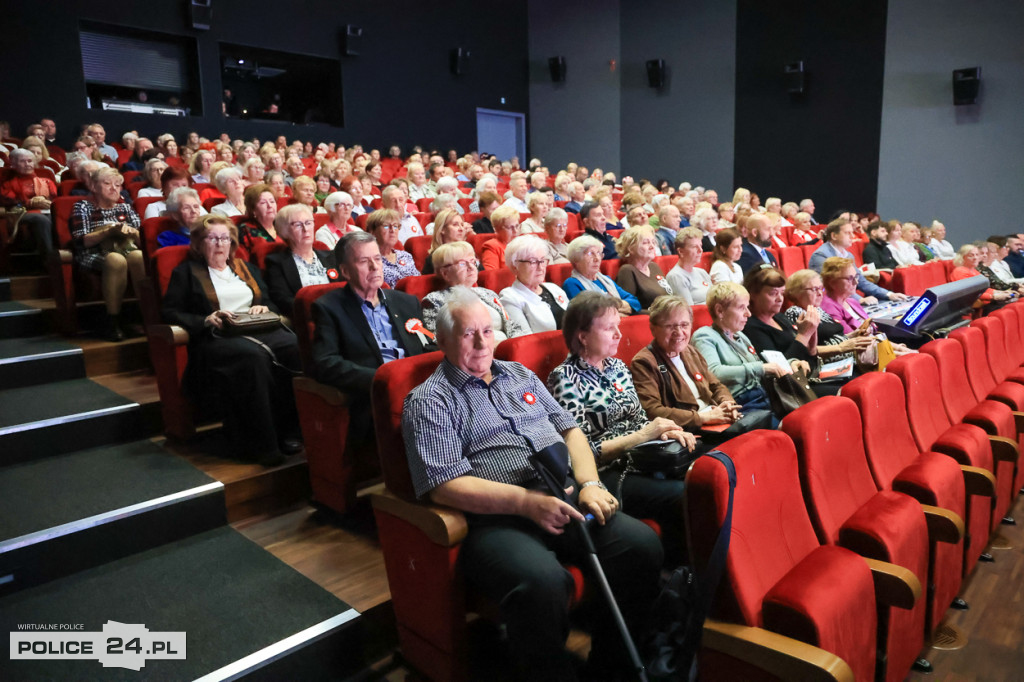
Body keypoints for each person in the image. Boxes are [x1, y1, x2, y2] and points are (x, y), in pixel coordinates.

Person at [403, 288, 662, 679]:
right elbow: (443, 483)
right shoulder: (429, 400)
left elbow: (571, 431)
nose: (481, 342)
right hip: (496, 518)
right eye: (467, 333)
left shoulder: (520, 374)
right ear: (441, 340)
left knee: (641, 546)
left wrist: (589, 482)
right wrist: (526, 503)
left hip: (564, 494)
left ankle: (613, 668)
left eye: (488, 331)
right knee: (542, 583)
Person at [547, 291, 695, 566]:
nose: (618, 334)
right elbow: (578, 452)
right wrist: (641, 436)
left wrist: (665, 432)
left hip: (645, 456)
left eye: (618, 326)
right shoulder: (564, 378)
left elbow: (639, 418)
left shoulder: (617, 367)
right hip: (609, 472)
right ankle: (680, 574)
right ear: (582, 336)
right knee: (682, 494)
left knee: (703, 475)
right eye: (608, 328)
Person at [161, 215, 300, 467]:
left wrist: (262, 308)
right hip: (217, 338)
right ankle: (263, 443)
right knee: (253, 358)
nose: (219, 243)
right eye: (212, 238)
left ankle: (290, 432)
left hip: (257, 329)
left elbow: (269, 300)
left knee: (294, 347)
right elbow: (171, 311)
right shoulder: (186, 273)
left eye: (225, 238)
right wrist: (206, 318)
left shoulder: (246, 269)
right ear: (199, 243)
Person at [313, 231, 435, 465]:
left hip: (419, 387)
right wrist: (382, 379)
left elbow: (428, 345)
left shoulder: (405, 301)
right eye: (363, 261)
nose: (374, 267)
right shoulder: (328, 308)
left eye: (377, 259)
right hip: (375, 395)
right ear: (345, 271)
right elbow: (326, 363)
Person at [630, 295, 772, 445]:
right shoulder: (644, 362)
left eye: (684, 325)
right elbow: (653, 411)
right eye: (670, 326)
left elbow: (716, 386)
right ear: (653, 328)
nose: (679, 332)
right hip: (690, 433)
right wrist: (704, 418)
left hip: (716, 423)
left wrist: (727, 403)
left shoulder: (690, 351)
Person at [69, 167, 146, 341]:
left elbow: (143, 241)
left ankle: (145, 316)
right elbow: (81, 242)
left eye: (118, 185)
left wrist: (133, 233)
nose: (114, 188)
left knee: (138, 256)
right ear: (94, 187)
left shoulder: (126, 207)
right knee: (115, 259)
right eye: (107, 183)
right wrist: (108, 232)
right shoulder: (82, 207)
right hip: (92, 253)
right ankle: (113, 322)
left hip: (126, 248)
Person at [691, 282, 785, 414]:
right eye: (742, 308)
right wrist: (761, 368)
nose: (748, 314)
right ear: (720, 311)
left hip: (765, 395)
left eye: (747, 307)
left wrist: (791, 363)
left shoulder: (740, 335)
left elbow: (762, 366)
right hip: (740, 404)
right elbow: (714, 372)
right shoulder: (704, 336)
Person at [422, 242, 525, 342]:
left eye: (473, 262)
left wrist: (513, 347)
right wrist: (494, 346)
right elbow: (438, 340)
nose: (471, 268)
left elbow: (513, 327)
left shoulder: (488, 293)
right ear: (445, 273)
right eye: (462, 264)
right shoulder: (434, 301)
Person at [783, 268, 875, 362]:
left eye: (820, 288)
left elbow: (832, 338)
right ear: (796, 292)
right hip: (834, 365)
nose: (820, 293)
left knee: (882, 345)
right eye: (814, 289)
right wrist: (841, 347)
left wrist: (853, 335)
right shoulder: (795, 313)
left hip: (850, 358)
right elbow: (807, 349)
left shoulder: (818, 310)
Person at [808, 218, 907, 304]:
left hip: (846, 302)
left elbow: (860, 280)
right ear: (834, 236)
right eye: (847, 233)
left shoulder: (848, 255)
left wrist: (888, 294)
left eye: (852, 232)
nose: (852, 236)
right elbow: (830, 288)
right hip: (830, 305)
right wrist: (859, 300)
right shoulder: (821, 255)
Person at [264, 204, 341, 314]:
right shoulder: (276, 262)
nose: (306, 229)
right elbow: (282, 300)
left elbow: (346, 289)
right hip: (307, 316)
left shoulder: (331, 256)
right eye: (298, 225)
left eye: (308, 223)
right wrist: (319, 310)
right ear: (284, 230)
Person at [498, 235, 571, 333]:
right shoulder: (509, 297)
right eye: (533, 262)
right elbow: (524, 339)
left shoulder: (554, 288)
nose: (541, 267)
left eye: (542, 261)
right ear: (515, 266)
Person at [0, 148, 56, 258]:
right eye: (22, 161)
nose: (27, 164)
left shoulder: (46, 181)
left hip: (46, 210)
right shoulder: (8, 184)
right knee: (40, 219)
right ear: (13, 164)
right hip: (20, 213)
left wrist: (45, 201)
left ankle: (59, 252)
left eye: (30, 161)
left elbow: (55, 200)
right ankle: (49, 258)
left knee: (53, 216)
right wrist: (29, 203)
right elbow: (9, 202)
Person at [562, 235, 640, 314]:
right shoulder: (572, 283)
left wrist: (613, 307)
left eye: (599, 253)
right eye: (590, 254)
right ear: (576, 259)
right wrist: (619, 309)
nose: (597, 259)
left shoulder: (606, 280)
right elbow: (589, 313)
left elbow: (634, 302)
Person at [615, 226, 672, 310]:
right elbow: (629, 309)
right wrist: (658, 314)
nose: (652, 246)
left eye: (653, 242)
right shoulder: (627, 271)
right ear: (631, 249)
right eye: (646, 243)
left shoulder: (654, 267)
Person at [365, 208, 419, 288]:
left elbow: (418, 282)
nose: (392, 230)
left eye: (395, 226)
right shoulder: (368, 260)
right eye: (386, 226)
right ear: (372, 232)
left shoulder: (406, 256)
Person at [951, 244, 1012, 310]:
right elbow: (971, 292)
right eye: (971, 255)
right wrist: (993, 296)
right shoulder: (960, 271)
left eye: (977, 255)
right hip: (972, 305)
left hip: (985, 301)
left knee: (1012, 300)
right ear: (963, 257)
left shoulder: (973, 270)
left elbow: (984, 288)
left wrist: (999, 292)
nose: (975, 258)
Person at [665, 227, 712, 306]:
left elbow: (716, 299)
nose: (700, 250)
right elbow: (689, 309)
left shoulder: (702, 272)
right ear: (681, 251)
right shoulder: (675, 276)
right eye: (694, 247)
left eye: (700, 246)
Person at [421, 209, 470, 275]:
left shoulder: (469, 252)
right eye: (455, 225)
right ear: (442, 229)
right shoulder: (434, 258)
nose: (461, 229)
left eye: (462, 225)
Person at [480, 204, 520, 271]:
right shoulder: (492, 247)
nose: (515, 231)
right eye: (510, 227)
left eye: (517, 226)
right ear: (497, 229)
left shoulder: (522, 243)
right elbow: (491, 275)